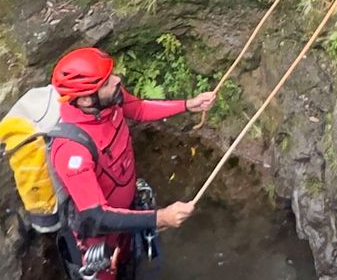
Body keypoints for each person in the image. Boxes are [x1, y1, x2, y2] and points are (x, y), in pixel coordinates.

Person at [48, 47, 216, 280]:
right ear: (86, 98)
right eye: (108, 81)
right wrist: (161, 217)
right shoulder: (71, 151)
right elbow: (96, 217)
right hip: (100, 240)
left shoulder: (108, 103)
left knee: (130, 266)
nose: (117, 80)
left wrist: (188, 105)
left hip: (126, 217)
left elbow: (138, 108)